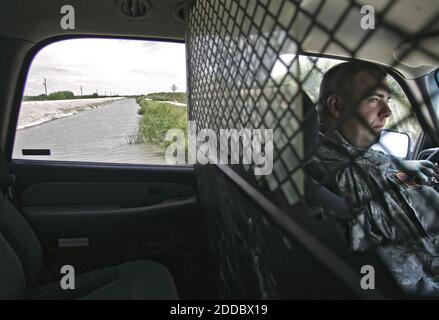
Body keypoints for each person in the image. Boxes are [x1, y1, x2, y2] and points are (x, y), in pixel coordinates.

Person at [305, 60, 439, 296]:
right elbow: (406, 275)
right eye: (374, 99)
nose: (387, 112)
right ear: (336, 106)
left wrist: (399, 166)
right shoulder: (347, 172)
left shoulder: (345, 152)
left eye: (387, 101)